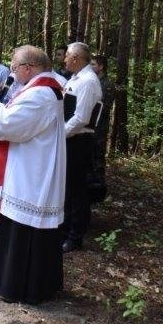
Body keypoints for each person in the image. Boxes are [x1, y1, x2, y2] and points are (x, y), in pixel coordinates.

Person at [0, 45, 65, 305]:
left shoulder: (42, 93)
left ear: (28, 68)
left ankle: (16, 285)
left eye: (14, 67)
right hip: (18, 168)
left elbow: (8, 125)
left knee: (19, 226)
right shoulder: (35, 89)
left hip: (27, 173)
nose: (12, 72)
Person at [60, 42, 103, 253]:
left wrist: (59, 135)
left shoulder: (88, 81)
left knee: (77, 189)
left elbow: (81, 118)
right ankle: (65, 229)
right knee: (67, 188)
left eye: (67, 56)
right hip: (70, 139)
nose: (64, 60)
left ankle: (75, 237)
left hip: (79, 141)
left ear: (76, 58)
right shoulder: (75, 78)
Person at [89, 54, 114, 203]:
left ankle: (99, 192)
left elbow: (104, 107)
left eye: (93, 64)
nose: (91, 67)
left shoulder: (107, 84)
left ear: (101, 66)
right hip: (91, 125)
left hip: (100, 127)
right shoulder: (93, 82)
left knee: (98, 157)